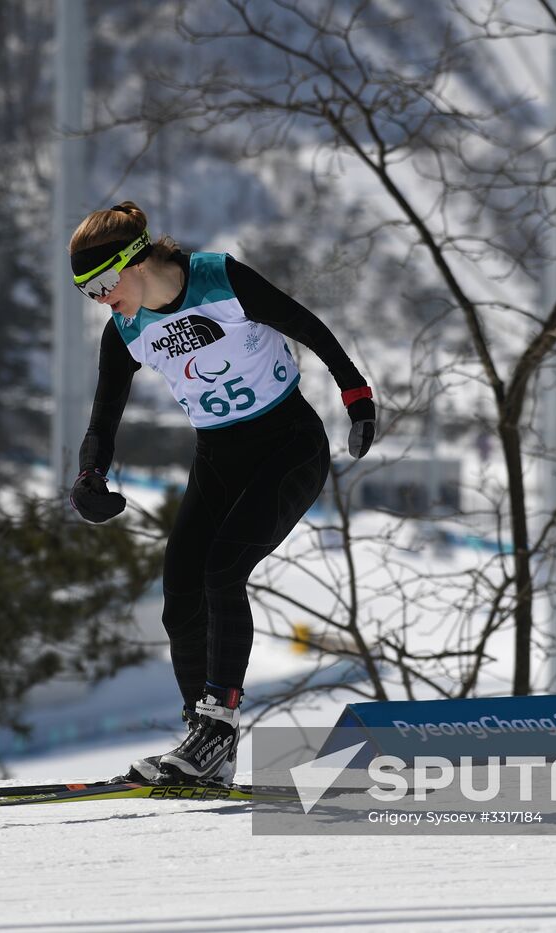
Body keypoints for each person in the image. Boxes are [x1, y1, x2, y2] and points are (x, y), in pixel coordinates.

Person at [67, 201, 376, 784]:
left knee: (222, 572)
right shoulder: (126, 331)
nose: (102, 300)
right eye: (88, 293)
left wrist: (355, 393)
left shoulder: (220, 278)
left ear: (135, 261)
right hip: (218, 458)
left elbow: (307, 326)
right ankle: (204, 742)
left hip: (288, 447)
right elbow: (102, 420)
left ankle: (217, 728)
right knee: (181, 591)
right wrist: (89, 477)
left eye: (104, 283)